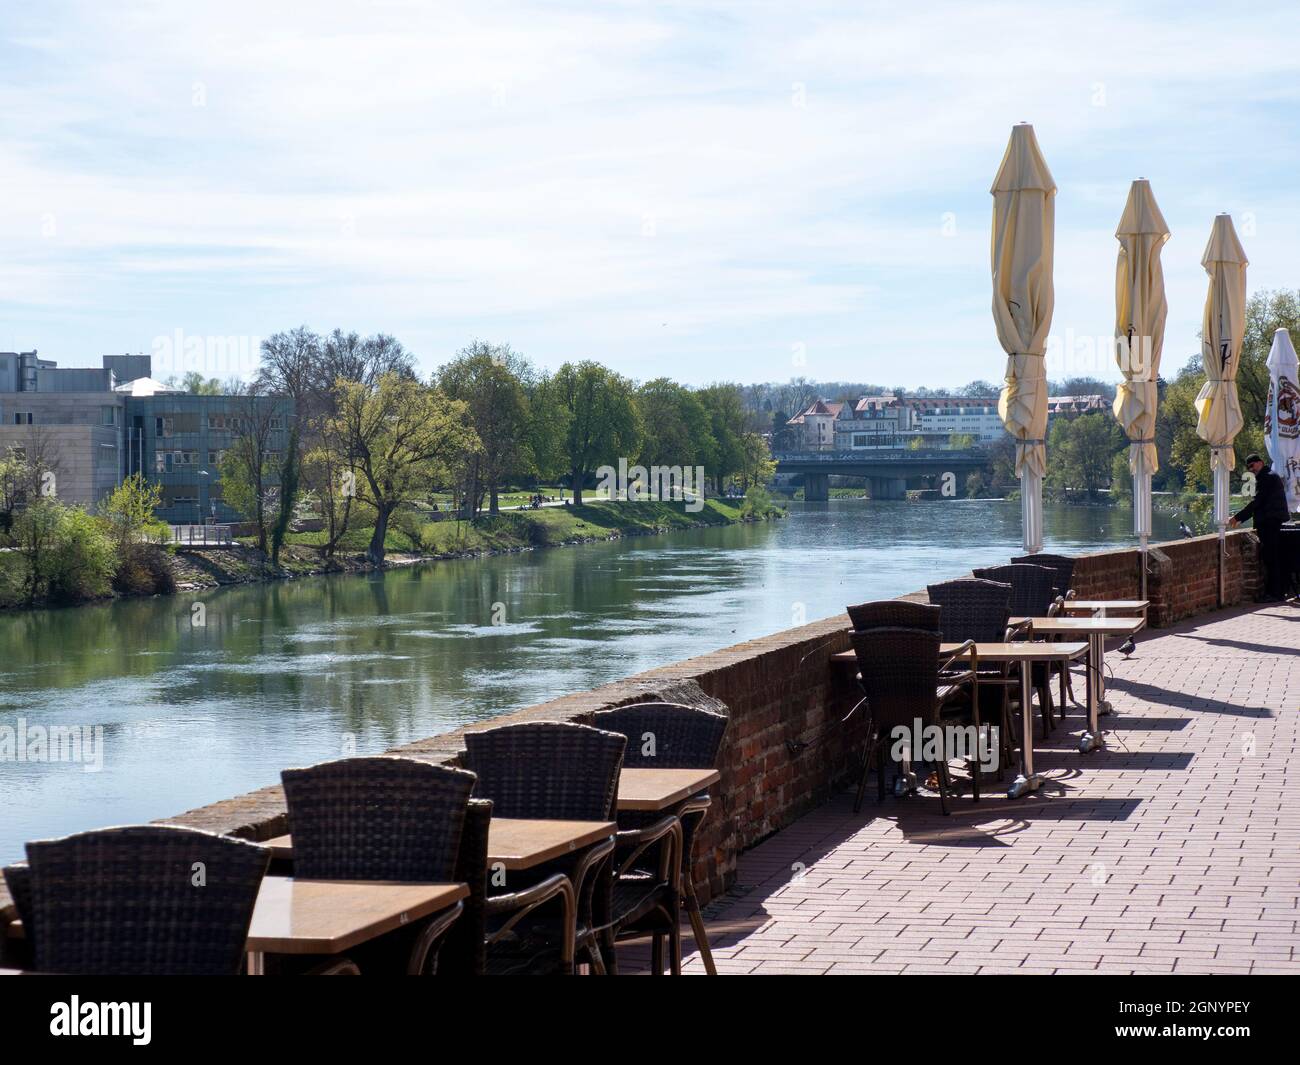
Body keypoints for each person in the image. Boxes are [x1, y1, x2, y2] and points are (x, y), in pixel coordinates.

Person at [1228, 453, 1292, 601]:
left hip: (1270, 522)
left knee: (1271, 558)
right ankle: (1277, 592)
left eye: (1252, 465)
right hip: (1272, 521)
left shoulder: (1267, 478)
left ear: (1261, 463)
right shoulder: (1269, 476)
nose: (1251, 469)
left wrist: (1237, 518)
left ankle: (1274, 594)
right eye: (1248, 467)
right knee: (1273, 557)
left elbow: (1257, 503)